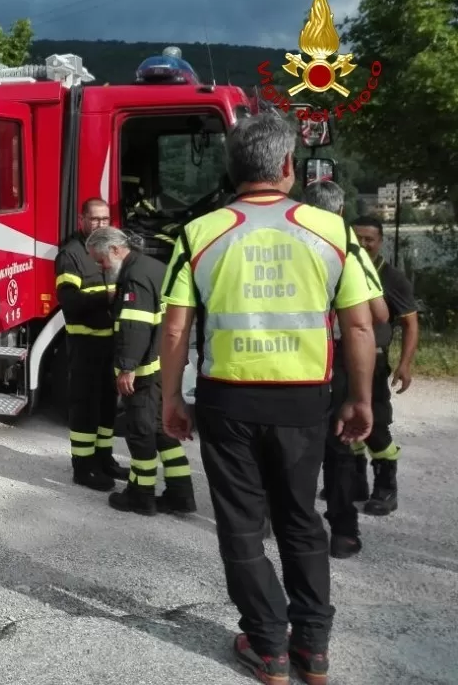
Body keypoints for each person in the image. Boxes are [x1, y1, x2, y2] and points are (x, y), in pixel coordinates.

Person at [160, 111, 379, 685]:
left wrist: (169, 400)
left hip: (227, 402)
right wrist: (360, 398)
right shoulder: (333, 231)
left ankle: (268, 647)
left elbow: (176, 329)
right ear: (287, 166)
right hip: (305, 401)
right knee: (301, 519)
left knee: (241, 525)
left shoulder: (199, 233)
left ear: (234, 169)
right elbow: (359, 328)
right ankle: (313, 649)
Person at [302, 182, 388, 559]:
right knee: (338, 449)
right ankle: (343, 531)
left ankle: (284, 520)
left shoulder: (282, 239)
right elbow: (380, 313)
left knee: (290, 448)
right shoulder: (346, 244)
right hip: (334, 359)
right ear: (339, 214)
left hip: (290, 361)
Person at [85, 226, 196, 517]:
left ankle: (141, 496)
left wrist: (126, 368)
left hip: (144, 371)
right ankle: (180, 493)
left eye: (101, 261)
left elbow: (134, 327)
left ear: (115, 250)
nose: (101, 267)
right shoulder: (152, 268)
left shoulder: (134, 277)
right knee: (162, 431)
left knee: (141, 433)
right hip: (162, 363)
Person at [54, 198, 129, 491]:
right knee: (85, 407)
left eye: (105, 219)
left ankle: (104, 458)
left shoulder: (110, 250)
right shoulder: (70, 255)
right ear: (81, 220)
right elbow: (69, 302)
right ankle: (83, 468)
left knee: (107, 406)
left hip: (110, 344)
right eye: (95, 219)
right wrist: (107, 297)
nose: (100, 224)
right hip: (84, 345)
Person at [350, 214, 419, 517]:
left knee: (375, 425)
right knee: (342, 423)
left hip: (374, 362)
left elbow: (410, 323)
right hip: (340, 360)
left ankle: (386, 487)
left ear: (380, 242)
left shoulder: (391, 278)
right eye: (358, 238)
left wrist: (405, 364)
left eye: (370, 239)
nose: (364, 244)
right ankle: (352, 482)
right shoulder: (342, 267)